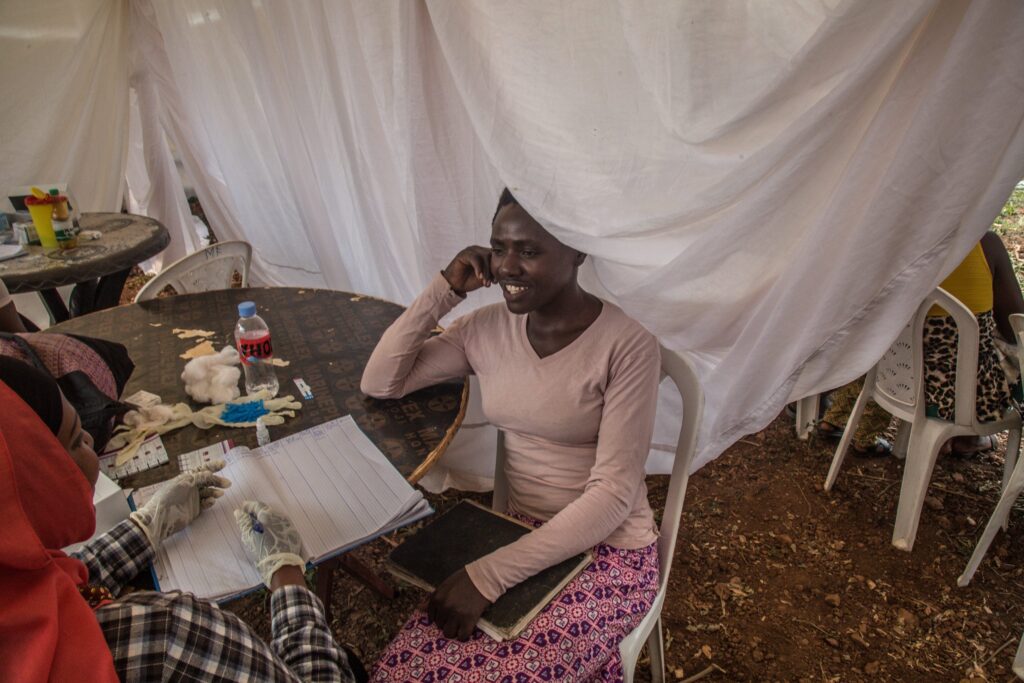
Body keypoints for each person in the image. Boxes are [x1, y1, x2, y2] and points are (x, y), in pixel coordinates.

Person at [362, 189, 662, 680]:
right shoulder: (485, 328)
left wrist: (488, 576)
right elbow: (381, 382)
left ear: (577, 252)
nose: (506, 267)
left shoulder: (628, 346)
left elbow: (613, 496)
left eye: (529, 251)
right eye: (498, 248)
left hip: (610, 552)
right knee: (401, 672)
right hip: (518, 531)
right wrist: (446, 288)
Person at [0, 357, 359, 683]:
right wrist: (287, 576)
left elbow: (59, 584)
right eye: (77, 439)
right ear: (32, 481)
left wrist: (148, 526)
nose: (92, 440)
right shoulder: (167, 640)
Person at [818, 231, 1024, 457]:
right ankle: (967, 437)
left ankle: (835, 418)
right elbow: (1015, 329)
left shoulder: (896, 240)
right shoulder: (985, 243)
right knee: (1000, 358)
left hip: (895, 379)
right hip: (959, 399)